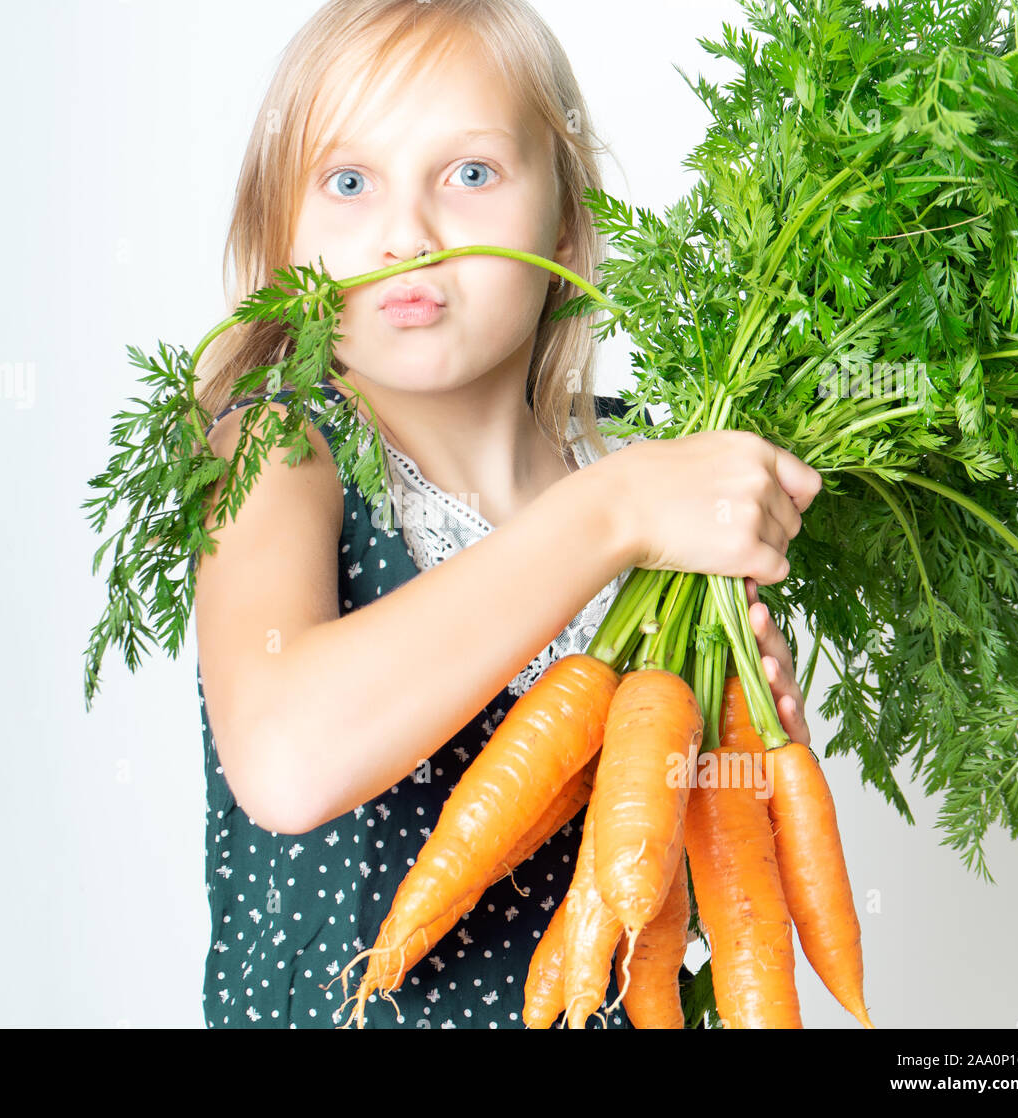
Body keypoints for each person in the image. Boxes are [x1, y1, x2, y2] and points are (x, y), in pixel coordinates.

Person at [191, 0, 820, 1029]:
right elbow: (284, 757)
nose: (407, 233)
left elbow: (692, 882)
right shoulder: (283, 448)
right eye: (348, 183)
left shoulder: (637, 452)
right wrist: (607, 512)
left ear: (565, 224)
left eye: (470, 174)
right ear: (282, 246)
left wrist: (734, 729)